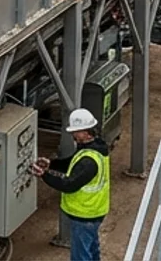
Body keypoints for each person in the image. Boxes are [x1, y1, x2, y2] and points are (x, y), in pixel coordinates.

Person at [31, 108, 110, 261]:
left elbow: (69, 185)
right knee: (92, 248)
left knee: (80, 256)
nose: (73, 135)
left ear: (86, 132)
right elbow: (72, 163)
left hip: (85, 214)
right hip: (94, 211)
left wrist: (44, 175)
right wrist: (51, 165)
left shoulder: (89, 161)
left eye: (76, 131)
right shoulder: (94, 148)